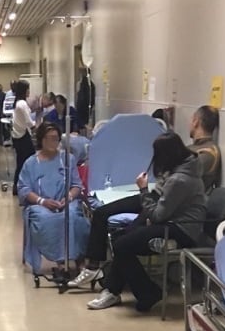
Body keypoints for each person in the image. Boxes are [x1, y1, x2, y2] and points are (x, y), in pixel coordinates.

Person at [85, 132, 207, 311]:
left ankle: (146, 292)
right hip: (173, 220)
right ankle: (114, 289)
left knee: (122, 245)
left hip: (181, 229)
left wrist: (143, 190)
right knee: (121, 240)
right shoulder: (185, 166)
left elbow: (158, 215)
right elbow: (162, 205)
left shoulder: (179, 179)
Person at [18, 122, 90, 273]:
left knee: (73, 218)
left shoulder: (68, 159)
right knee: (49, 219)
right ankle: (60, 259)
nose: (53, 142)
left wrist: (69, 197)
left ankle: (79, 258)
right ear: (41, 140)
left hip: (65, 202)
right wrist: (42, 201)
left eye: (56, 139)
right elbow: (24, 189)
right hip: (40, 205)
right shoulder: (31, 163)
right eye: (49, 138)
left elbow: (77, 185)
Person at [11, 80, 36, 195]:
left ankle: (17, 186)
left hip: (17, 136)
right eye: (28, 89)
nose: (29, 91)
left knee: (20, 162)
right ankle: (23, 186)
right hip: (23, 137)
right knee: (28, 162)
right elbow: (29, 122)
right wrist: (37, 125)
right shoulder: (22, 104)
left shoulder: (18, 103)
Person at [188, 105, 222, 191]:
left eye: (191, 120)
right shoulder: (194, 148)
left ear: (196, 122)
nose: (189, 124)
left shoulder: (208, 152)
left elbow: (182, 175)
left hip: (189, 201)